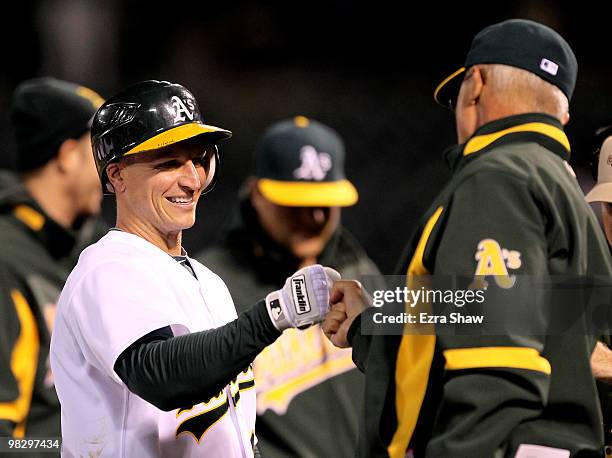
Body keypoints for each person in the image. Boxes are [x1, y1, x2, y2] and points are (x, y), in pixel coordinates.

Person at [323, 19, 612, 457]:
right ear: (562, 115)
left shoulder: (499, 177)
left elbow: (497, 367)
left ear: (475, 86)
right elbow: (494, 313)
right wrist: (372, 319)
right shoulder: (565, 190)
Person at [49, 80, 339, 457]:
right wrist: (277, 314)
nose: (192, 179)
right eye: (169, 163)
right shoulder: (106, 270)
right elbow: (161, 376)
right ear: (116, 174)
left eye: (200, 159)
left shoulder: (209, 283)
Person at [199, 116, 385, 457]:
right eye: (297, 204)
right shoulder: (212, 285)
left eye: (324, 204)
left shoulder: (357, 269)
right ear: (256, 194)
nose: (314, 217)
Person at [0, 77, 104, 446]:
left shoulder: (95, 247)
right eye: (102, 151)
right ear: (67, 156)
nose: (111, 171)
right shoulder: (7, 257)